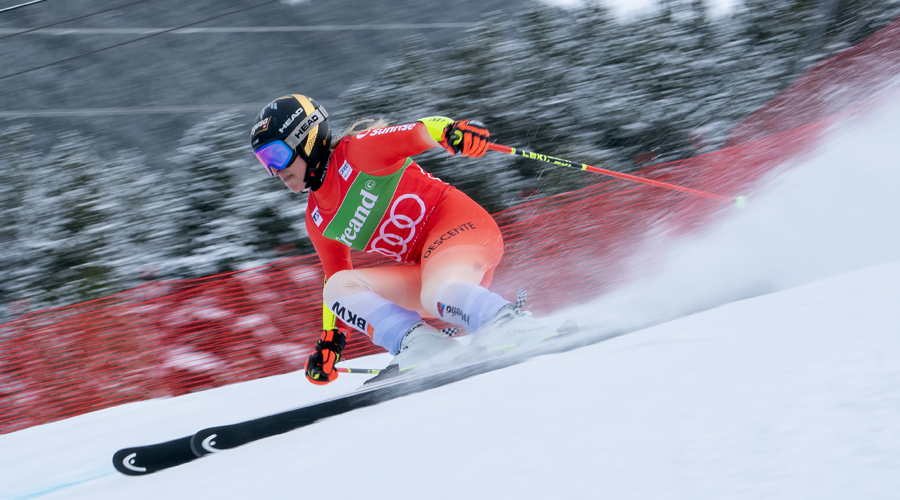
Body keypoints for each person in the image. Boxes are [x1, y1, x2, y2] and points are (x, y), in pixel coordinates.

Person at [251, 94, 545, 385]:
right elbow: (336, 279)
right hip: (430, 270)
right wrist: (331, 342)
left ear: (307, 138)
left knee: (437, 291)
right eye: (266, 163)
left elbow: (420, 132)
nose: (275, 171)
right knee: (338, 288)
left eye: (276, 155)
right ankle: (423, 345)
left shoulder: (358, 151)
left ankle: (510, 322)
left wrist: (451, 131)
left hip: (465, 231)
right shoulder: (317, 218)